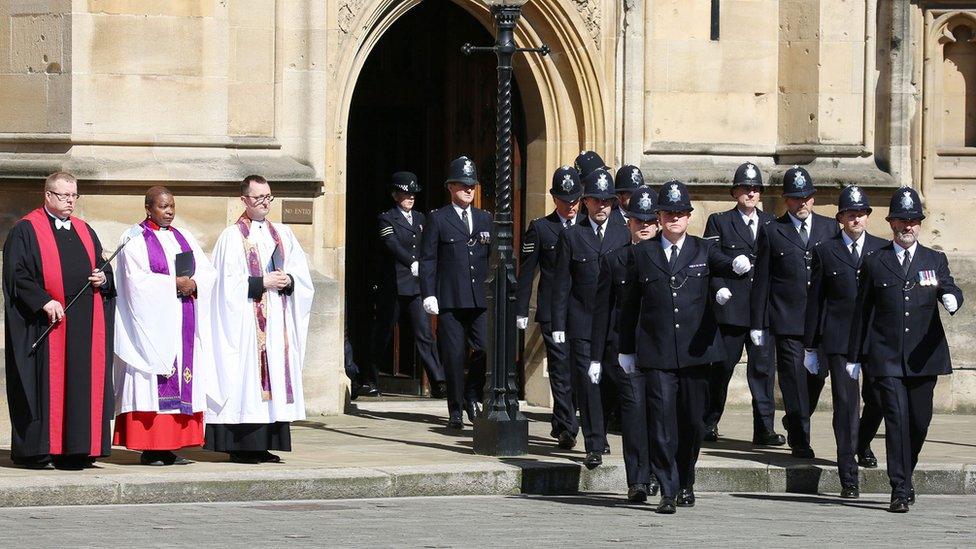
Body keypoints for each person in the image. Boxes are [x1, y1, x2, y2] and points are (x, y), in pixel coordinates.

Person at [616, 180, 753, 514]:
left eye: (680, 213)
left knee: (692, 422)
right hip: (658, 351)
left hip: (696, 351)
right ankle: (667, 488)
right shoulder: (642, 253)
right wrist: (626, 349)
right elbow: (630, 304)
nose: (674, 218)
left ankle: (686, 480)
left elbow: (723, 262)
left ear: (689, 216)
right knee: (662, 422)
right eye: (668, 213)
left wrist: (738, 265)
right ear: (659, 216)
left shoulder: (701, 249)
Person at [847, 186, 963, 513]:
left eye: (912, 220)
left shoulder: (934, 259)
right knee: (896, 420)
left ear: (919, 224)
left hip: (924, 358)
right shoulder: (875, 262)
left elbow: (949, 286)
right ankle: (898, 489)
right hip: (885, 357)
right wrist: (854, 358)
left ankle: (906, 474)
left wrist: (952, 298)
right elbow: (862, 313)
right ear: (891, 223)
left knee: (919, 422)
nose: (907, 226)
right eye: (901, 220)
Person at [2, 172, 115, 470]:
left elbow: (103, 265)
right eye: (64, 196)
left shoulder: (85, 229)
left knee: (81, 384)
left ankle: (77, 450)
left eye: (74, 196)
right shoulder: (26, 230)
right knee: (45, 390)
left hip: (83, 326)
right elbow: (17, 275)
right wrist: (43, 300)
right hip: (46, 325)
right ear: (48, 195)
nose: (70, 202)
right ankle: (40, 451)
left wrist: (103, 276)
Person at [205, 175, 314, 464]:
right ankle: (242, 445)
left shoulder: (283, 233)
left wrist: (288, 280)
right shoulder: (232, 236)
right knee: (249, 381)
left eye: (268, 197)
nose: (265, 203)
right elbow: (224, 285)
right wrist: (260, 281)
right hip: (246, 323)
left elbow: (301, 274)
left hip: (277, 318)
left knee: (274, 377)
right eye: (258, 198)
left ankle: (266, 442)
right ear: (244, 200)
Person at [113, 186, 218, 466]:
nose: (169, 211)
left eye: (172, 206)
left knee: (183, 382)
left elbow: (207, 271)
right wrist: (173, 284)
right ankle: (151, 447)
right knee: (153, 385)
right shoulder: (134, 238)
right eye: (163, 206)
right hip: (153, 328)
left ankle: (171, 446)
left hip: (183, 319)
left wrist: (194, 284)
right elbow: (134, 282)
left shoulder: (183, 237)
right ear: (148, 208)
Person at [801, 185, 886, 497]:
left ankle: (862, 443)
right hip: (838, 339)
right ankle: (847, 476)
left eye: (861, 214)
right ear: (840, 218)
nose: (856, 219)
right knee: (846, 407)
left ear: (867, 217)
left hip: (874, 339)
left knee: (877, 398)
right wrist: (810, 346)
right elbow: (816, 301)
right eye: (850, 214)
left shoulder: (882, 248)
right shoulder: (826, 250)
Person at [750, 166, 837, 458]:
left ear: (813, 198)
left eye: (806, 198)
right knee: (794, 381)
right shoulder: (773, 231)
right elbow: (762, 279)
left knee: (818, 376)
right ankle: (800, 439)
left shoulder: (829, 228)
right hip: (787, 320)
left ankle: (795, 418)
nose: (801, 204)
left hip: (822, 321)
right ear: (785, 200)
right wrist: (758, 323)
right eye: (795, 198)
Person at [552, 168, 630, 468]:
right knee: (587, 385)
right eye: (595, 201)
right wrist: (558, 326)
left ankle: (603, 426)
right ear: (585, 202)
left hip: (614, 323)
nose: (601, 206)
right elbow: (561, 285)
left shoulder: (624, 234)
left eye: (606, 201)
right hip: (582, 322)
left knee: (611, 381)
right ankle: (594, 443)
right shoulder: (572, 236)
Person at [702, 163, 784, 446]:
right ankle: (708, 422)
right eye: (745, 188)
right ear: (735, 191)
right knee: (721, 368)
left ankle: (764, 429)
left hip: (761, 311)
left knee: (762, 371)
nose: (751, 193)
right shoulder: (720, 221)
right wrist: (722, 281)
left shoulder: (772, 222)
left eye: (755, 189)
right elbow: (709, 258)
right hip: (731, 309)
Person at [591, 184, 660, 502]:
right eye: (638, 221)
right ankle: (638, 480)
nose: (643, 226)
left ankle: (659, 472)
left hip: (661, 350)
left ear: (657, 223)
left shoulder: (670, 257)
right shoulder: (616, 260)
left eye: (649, 221)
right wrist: (595, 357)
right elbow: (602, 310)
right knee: (633, 413)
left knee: (660, 415)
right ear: (628, 222)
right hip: (626, 350)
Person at [419, 156, 491, 429]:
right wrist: (428, 293)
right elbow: (428, 259)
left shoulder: (485, 218)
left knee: (484, 348)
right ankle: (456, 409)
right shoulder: (438, 218)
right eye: (463, 185)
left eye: (471, 185)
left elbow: (493, 257)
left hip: (478, 300)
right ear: (450, 187)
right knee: (452, 355)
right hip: (449, 298)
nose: (469, 189)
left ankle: (472, 392)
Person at [515, 166, 583, 449]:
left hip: (581, 312)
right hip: (553, 313)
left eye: (575, 200)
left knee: (578, 370)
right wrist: (521, 310)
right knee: (560, 369)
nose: (570, 206)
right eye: (565, 200)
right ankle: (568, 427)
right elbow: (527, 272)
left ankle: (561, 421)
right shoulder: (541, 229)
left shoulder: (588, 228)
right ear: (554, 198)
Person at [369, 172, 445, 398]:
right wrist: (412, 262)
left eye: (413, 193)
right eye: (405, 193)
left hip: (415, 286)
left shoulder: (422, 219)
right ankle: (371, 379)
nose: (410, 197)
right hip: (393, 285)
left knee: (424, 334)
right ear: (395, 195)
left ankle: (438, 381)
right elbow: (391, 244)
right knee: (383, 333)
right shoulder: (387, 218)